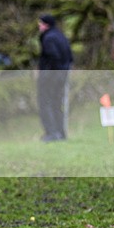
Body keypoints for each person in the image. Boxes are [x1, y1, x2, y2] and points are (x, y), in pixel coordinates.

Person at [37, 14, 74, 142]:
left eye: (40, 23)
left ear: (46, 25)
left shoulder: (48, 38)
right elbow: (70, 58)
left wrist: (47, 75)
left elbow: (53, 57)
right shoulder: (61, 36)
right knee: (57, 104)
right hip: (62, 77)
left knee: (46, 104)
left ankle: (52, 133)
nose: (39, 26)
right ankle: (60, 132)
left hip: (51, 77)